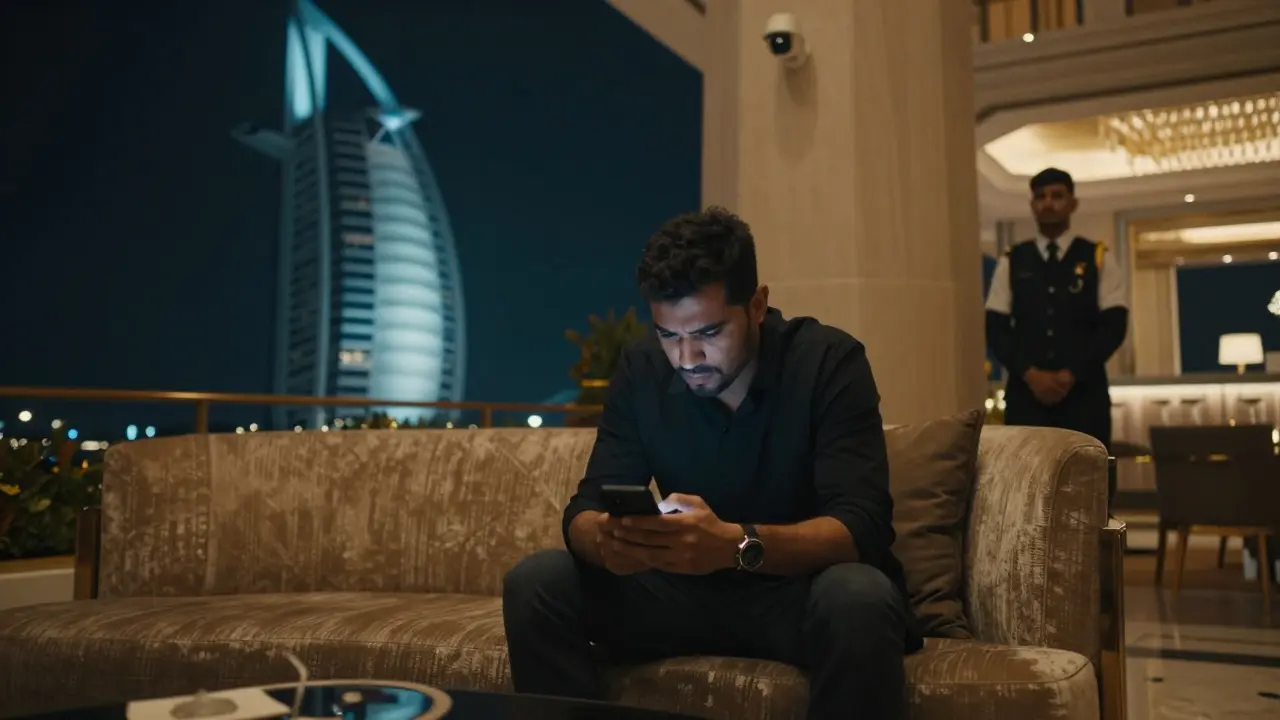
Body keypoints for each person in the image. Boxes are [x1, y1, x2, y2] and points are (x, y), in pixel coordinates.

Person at [502, 207, 921, 720]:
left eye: (708, 333)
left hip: (794, 595)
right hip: (679, 593)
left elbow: (862, 526)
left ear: (758, 304)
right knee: (538, 581)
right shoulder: (641, 368)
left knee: (859, 595)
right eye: (669, 335)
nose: (687, 358)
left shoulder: (828, 362)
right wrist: (609, 543)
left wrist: (734, 545)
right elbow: (584, 510)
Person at [985, 167, 1128, 460]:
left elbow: (1114, 326)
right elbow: (996, 327)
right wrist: (1031, 374)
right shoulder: (1012, 261)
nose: (1048, 202)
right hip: (1026, 397)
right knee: (1025, 480)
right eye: (1041, 197)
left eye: (1057, 195)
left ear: (1072, 203)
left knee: (1089, 478)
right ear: (1032, 205)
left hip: (1085, 396)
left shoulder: (1098, 257)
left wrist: (1071, 374)